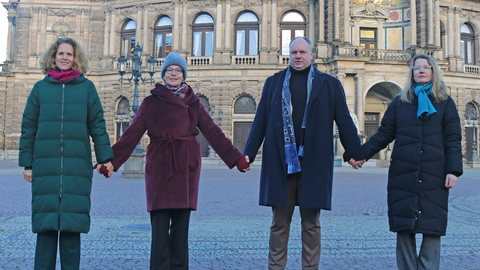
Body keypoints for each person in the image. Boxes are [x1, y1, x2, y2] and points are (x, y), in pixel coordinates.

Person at [107, 52, 249, 270]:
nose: (174, 74)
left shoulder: (193, 103)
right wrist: (111, 161)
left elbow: (212, 131)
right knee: (160, 233)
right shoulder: (150, 102)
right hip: (159, 168)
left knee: (181, 236)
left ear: (184, 74)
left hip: (186, 168)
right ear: (164, 74)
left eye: (178, 70)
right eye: (170, 70)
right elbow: (131, 134)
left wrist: (236, 157)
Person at [243, 37, 364, 270]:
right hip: (281, 163)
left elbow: (344, 121)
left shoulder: (329, 84)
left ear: (311, 55)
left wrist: (353, 152)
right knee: (279, 223)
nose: (298, 56)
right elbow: (260, 122)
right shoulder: (273, 83)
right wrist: (248, 153)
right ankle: (276, 267)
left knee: (311, 224)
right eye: (294, 52)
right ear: (289, 55)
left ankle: (310, 267)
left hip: (314, 163)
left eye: (302, 52)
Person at [356, 54, 462, 270]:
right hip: (404, 173)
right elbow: (384, 134)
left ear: (433, 71)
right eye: (417, 68)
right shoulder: (400, 102)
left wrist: (453, 170)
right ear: (412, 73)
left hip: (434, 174)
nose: (421, 71)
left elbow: (453, 139)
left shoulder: (445, 102)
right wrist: (361, 154)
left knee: (432, 227)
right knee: (404, 227)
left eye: (426, 67)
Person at [19, 37, 114, 270]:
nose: (64, 58)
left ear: (76, 58)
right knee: (46, 229)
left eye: (69, 54)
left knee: (71, 230)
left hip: (76, 168)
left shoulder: (87, 88)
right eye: (60, 53)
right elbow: (28, 127)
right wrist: (27, 164)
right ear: (53, 57)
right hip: (45, 167)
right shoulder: (40, 88)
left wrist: (105, 159)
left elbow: (97, 125)